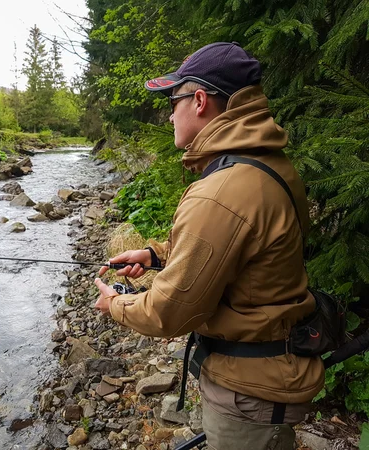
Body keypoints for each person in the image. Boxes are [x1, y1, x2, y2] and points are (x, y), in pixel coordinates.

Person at [93, 42, 324, 450]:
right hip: (273, 375)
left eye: (173, 99)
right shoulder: (271, 165)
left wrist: (114, 303)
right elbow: (245, 246)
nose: (168, 113)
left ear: (199, 100)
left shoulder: (220, 191)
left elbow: (169, 313)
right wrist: (156, 255)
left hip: (248, 394)